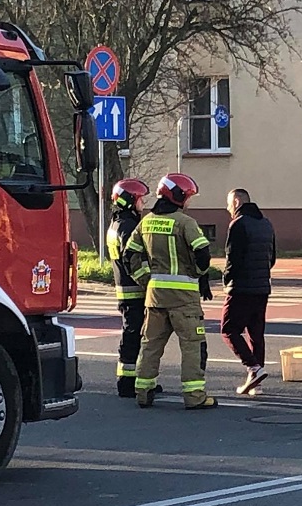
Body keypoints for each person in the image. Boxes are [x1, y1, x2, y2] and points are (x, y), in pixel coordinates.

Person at [124, 173, 218, 410]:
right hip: (184, 299)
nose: (188, 202)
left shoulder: (145, 222)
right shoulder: (185, 222)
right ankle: (194, 396)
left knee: (150, 344)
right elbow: (203, 254)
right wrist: (198, 273)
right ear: (178, 197)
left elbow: (129, 255)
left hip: (154, 296)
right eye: (187, 197)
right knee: (192, 346)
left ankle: (143, 392)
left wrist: (145, 279)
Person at [105, 178, 161, 398]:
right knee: (133, 335)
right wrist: (148, 283)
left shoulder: (117, 223)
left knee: (134, 335)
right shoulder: (127, 226)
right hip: (134, 291)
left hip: (127, 291)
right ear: (129, 201)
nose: (143, 203)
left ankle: (134, 379)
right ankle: (127, 382)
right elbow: (132, 260)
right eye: (139, 199)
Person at [220, 188, 277, 396]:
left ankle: (253, 367)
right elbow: (272, 258)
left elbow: (232, 258)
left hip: (241, 287)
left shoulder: (238, 224)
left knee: (228, 330)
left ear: (236, 202)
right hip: (262, 287)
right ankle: (256, 383)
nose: (227, 209)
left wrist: (226, 280)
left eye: (228, 204)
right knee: (255, 333)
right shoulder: (266, 223)